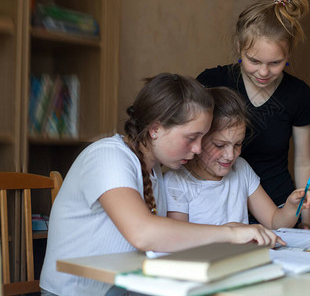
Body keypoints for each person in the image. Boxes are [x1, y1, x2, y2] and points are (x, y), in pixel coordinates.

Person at [39, 74, 284, 296]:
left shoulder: (155, 170)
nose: (198, 149)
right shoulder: (108, 157)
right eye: (191, 138)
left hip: (123, 288)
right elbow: (144, 233)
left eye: (202, 138)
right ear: (155, 129)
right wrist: (230, 233)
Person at [196, 0, 310, 228]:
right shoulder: (212, 82)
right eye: (253, 61)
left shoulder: (298, 94)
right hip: (220, 205)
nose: (263, 72)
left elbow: (304, 162)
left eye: (275, 63)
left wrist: (306, 222)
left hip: (279, 208)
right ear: (239, 48)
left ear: (288, 55)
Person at [165, 86, 310, 229]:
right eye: (219, 145)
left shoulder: (241, 168)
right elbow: (178, 237)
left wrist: (292, 206)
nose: (230, 156)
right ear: (199, 138)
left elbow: (274, 221)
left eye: (238, 144)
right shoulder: (176, 181)